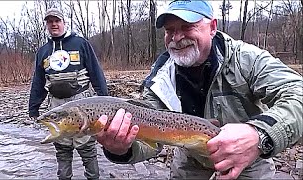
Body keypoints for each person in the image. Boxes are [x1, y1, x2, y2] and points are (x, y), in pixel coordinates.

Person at [92, 1, 303, 179]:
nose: (176, 37)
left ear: (212, 27)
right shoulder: (160, 79)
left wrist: (259, 135)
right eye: (170, 30)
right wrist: (120, 149)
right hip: (189, 164)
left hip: (248, 162)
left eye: (187, 27)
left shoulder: (247, 59)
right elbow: (150, 141)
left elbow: (298, 92)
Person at [28, 7, 108, 180]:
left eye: (57, 21)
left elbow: (95, 71)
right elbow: (39, 81)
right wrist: (33, 108)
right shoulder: (43, 51)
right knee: (62, 147)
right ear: (46, 25)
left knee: (86, 145)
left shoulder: (80, 43)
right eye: (50, 22)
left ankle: (93, 177)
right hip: (56, 103)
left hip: (82, 102)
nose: (54, 24)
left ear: (64, 22)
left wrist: (105, 98)